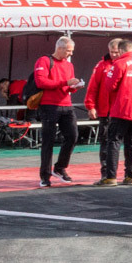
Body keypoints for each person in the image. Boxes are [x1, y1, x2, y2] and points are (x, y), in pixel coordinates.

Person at [86, 38, 132, 186]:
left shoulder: (119, 64)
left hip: (122, 109)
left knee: (114, 141)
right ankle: (131, 176)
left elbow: (110, 85)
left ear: (122, 50)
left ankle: (110, 177)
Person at [33, 36, 84, 187]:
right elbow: (41, 82)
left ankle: (60, 167)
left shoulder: (69, 65)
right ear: (59, 48)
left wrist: (74, 87)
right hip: (49, 105)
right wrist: (66, 83)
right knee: (48, 141)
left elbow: (67, 87)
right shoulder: (44, 61)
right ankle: (45, 175)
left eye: (71, 51)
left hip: (66, 104)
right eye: (68, 51)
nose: (70, 54)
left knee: (73, 136)